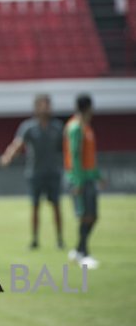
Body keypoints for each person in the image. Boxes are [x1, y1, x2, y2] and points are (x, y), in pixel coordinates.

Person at [0, 94, 64, 250]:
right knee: (35, 206)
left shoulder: (58, 127)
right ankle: (35, 239)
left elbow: (65, 148)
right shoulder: (28, 127)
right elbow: (17, 144)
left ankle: (60, 239)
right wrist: (7, 157)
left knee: (56, 205)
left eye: (48, 104)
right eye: (43, 105)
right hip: (35, 172)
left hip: (53, 172)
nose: (46, 108)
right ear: (36, 107)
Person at [64, 94, 102, 269]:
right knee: (86, 215)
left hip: (88, 177)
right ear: (88, 108)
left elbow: (89, 157)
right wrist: (78, 181)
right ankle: (84, 254)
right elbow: (75, 155)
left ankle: (79, 250)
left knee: (92, 216)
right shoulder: (75, 128)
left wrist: (97, 176)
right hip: (79, 179)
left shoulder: (86, 128)